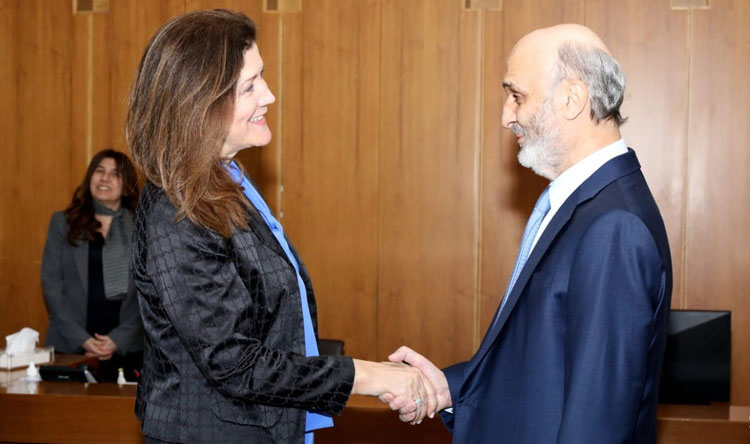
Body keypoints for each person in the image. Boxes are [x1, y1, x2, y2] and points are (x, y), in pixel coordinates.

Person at [126, 9, 435, 444]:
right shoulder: (176, 212)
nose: (269, 96)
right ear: (199, 103)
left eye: (263, 77)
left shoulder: (227, 181)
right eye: (250, 86)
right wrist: (368, 376)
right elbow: (234, 363)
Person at [385, 24, 673, 443]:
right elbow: (542, 363)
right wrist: (449, 387)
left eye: (517, 96)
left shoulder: (614, 227)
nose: (506, 116)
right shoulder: (584, 204)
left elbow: (596, 424)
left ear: (572, 98)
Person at [41, 148, 143, 381]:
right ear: (90, 177)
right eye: (99, 171)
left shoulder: (141, 228)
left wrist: (118, 340)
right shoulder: (63, 223)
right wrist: (83, 340)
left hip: (127, 348)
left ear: (126, 185)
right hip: (72, 346)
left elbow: (150, 293)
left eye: (115, 174)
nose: (105, 178)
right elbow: (52, 286)